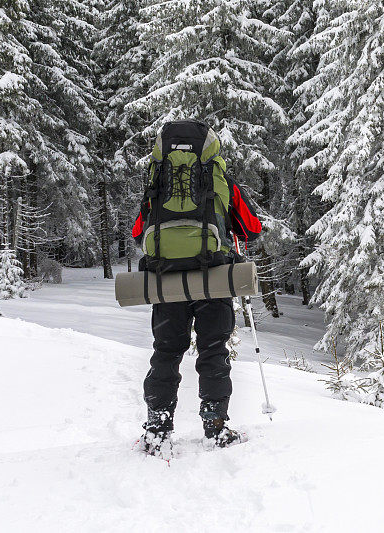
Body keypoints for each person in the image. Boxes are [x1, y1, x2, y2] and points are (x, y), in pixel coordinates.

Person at [132, 121, 262, 454]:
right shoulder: (221, 182)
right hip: (212, 280)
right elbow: (252, 228)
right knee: (213, 352)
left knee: (166, 353)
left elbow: (138, 232)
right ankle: (216, 427)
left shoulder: (157, 181)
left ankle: (157, 431)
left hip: (168, 282)